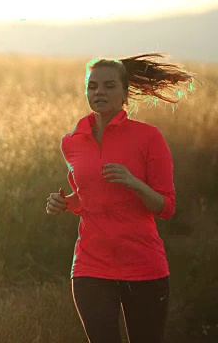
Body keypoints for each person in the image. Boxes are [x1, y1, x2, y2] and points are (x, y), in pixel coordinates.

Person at [45, 53, 195, 343]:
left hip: (143, 265)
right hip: (91, 265)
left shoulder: (149, 138)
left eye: (109, 86)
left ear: (126, 94)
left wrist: (134, 183)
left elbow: (166, 207)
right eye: (93, 86)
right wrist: (64, 203)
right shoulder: (72, 141)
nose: (99, 92)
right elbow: (86, 199)